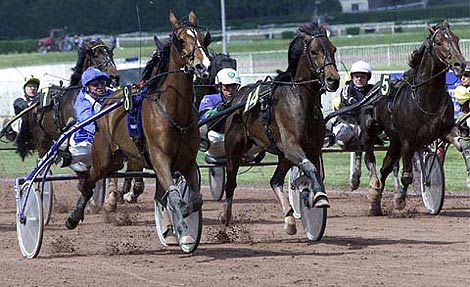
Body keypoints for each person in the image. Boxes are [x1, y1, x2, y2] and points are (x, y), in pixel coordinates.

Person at [67, 67, 113, 173]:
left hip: (104, 140)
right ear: (87, 87)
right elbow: (88, 123)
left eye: (103, 83)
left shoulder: (110, 94)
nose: (100, 87)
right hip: (83, 143)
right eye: (95, 84)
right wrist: (104, 133)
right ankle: (71, 160)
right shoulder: (83, 101)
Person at [327, 60, 375, 149]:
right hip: (348, 124)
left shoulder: (372, 89)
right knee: (341, 131)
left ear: (368, 78)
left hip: (367, 126)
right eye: (357, 76)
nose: (359, 79)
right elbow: (350, 101)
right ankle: (328, 137)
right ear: (352, 77)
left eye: (363, 76)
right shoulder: (347, 89)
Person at [199, 68, 241, 160]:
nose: (230, 90)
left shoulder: (241, 100)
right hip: (215, 140)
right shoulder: (210, 98)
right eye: (226, 86)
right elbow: (203, 118)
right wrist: (217, 110)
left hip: (238, 139)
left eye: (234, 86)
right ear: (219, 86)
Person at [4, 76, 41, 142]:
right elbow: (22, 105)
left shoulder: (40, 99)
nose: (32, 88)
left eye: (34, 87)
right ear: (25, 89)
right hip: (22, 126)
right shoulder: (19, 100)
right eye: (30, 86)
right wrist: (30, 104)